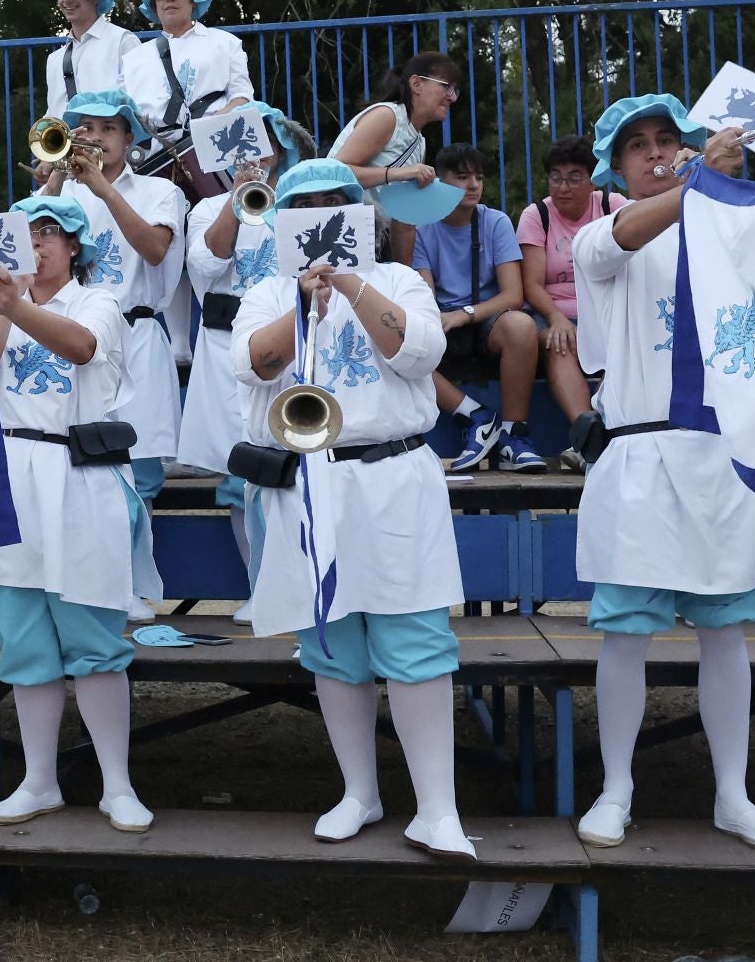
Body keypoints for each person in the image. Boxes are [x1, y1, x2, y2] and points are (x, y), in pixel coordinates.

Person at [570, 95, 755, 854]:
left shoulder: (722, 222)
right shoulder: (603, 233)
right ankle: (616, 789)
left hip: (720, 455)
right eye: (637, 145)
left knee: (727, 632)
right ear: (616, 166)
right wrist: (698, 186)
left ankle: (734, 794)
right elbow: (633, 231)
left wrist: (735, 188)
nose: (655, 151)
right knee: (625, 636)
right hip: (640, 455)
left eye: (667, 139)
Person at [232, 158, 474, 860]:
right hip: (312, 483)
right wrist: (303, 302)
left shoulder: (400, 280)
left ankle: (438, 809)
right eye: (304, 207)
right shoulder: (266, 290)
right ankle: (359, 794)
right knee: (332, 645)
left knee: (416, 642)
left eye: (335, 203)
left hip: (395, 474)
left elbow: (419, 351)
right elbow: (252, 364)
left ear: (359, 212)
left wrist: (350, 284)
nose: (320, 216)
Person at [0, 196, 152, 833]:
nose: (39, 245)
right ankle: (39, 780)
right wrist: (6, 299)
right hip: (12, 476)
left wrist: (17, 303)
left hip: (78, 477)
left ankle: (117, 784)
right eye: (26, 235)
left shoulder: (97, 299)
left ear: (74, 246)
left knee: (94, 641)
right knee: (24, 641)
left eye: (50, 234)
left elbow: (81, 348)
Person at [36, 90, 186, 615]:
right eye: (86, 130)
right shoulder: (63, 192)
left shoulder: (158, 190)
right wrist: (55, 181)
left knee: (137, 476)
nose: (94, 138)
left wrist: (101, 188)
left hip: (135, 336)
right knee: (77, 466)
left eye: (106, 129)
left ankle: (131, 584)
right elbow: (20, 248)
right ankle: (81, 581)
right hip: (69, 341)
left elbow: (154, 249)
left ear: (128, 138)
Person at [176, 106, 314, 619]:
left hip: (290, 349)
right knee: (241, 475)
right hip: (224, 349)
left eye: (262, 143)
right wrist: (236, 201)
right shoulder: (208, 207)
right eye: (242, 147)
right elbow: (207, 264)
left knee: (293, 469)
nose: (253, 155)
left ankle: (304, 585)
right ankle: (262, 588)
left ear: (282, 147)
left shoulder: (302, 205)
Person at [411, 144, 542, 472]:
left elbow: (513, 295)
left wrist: (464, 314)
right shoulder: (422, 229)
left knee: (522, 326)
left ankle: (514, 436)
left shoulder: (495, 222)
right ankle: (477, 416)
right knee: (399, 341)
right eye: (462, 176)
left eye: (479, 177)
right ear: (438, 182)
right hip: (442, 323)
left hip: (486, 320)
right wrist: (443, 319)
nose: (473, 184)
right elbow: (423, 296)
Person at [516, 135, 627, 464]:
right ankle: (589, 434)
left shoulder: (613, 207)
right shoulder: (537, 215)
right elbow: (532, 284)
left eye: (574, 178)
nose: (562, 187)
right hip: (555, 311)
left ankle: (612, 431)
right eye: (556, 177)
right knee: (558, 342)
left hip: (605, 309)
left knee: (624, 341)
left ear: (592, 181)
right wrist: (557, 318)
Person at [328, 52, 460, 266]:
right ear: (416, 84)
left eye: (455, 90)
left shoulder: (419, 141)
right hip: (339, 236)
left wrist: (403, 276)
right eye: (446, 86)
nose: (452, 97)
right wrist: (397, 174)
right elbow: (334, 172)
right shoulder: (387, 116)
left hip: (372, 244)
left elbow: (404, 219)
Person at [119, 0, 254, 141]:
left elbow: (242, 98)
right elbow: (121, 114)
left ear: (193, 0)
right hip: (151, 158)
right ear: (154, 5)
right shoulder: (133, 58)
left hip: (215, 144)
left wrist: (210, 130)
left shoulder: (225, 43)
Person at [43, 0, 140, 118]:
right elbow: (54, 110)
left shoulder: (123, 41)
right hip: (68, 142)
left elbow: (135, 102)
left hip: (110, 141)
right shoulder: (55, 59)